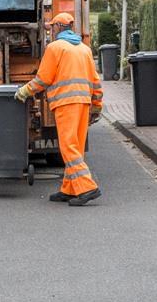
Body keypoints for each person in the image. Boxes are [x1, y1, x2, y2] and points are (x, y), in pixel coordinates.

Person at [16, 12, 104, 206]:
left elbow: (43, 79)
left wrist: (25, 91)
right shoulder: (84, 49)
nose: (51, 30)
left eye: (52, 27)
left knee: (68, 147)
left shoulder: (55, 48)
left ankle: (87, 187)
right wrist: (97, 106)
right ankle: (69, 189)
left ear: (57, 28)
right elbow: (96, 81)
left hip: (66, 104)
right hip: (84, 104)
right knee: (77, 147)